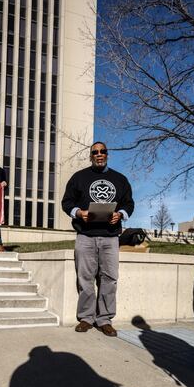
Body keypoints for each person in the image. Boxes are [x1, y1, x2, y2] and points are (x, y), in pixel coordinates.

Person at [61, 141, 135, 337]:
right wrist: (78, 213)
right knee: (85, 278)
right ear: (91, 156)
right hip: (85, 236)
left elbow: (129, 203)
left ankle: (104, 320)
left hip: (110, 237)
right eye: (95, 152)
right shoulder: (79, 177)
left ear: (107, 154)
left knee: (109, 278)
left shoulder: (120, 179)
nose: (99, 154)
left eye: (103, 151)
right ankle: (86, 318)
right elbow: (66, 202)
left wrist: (121, 214)